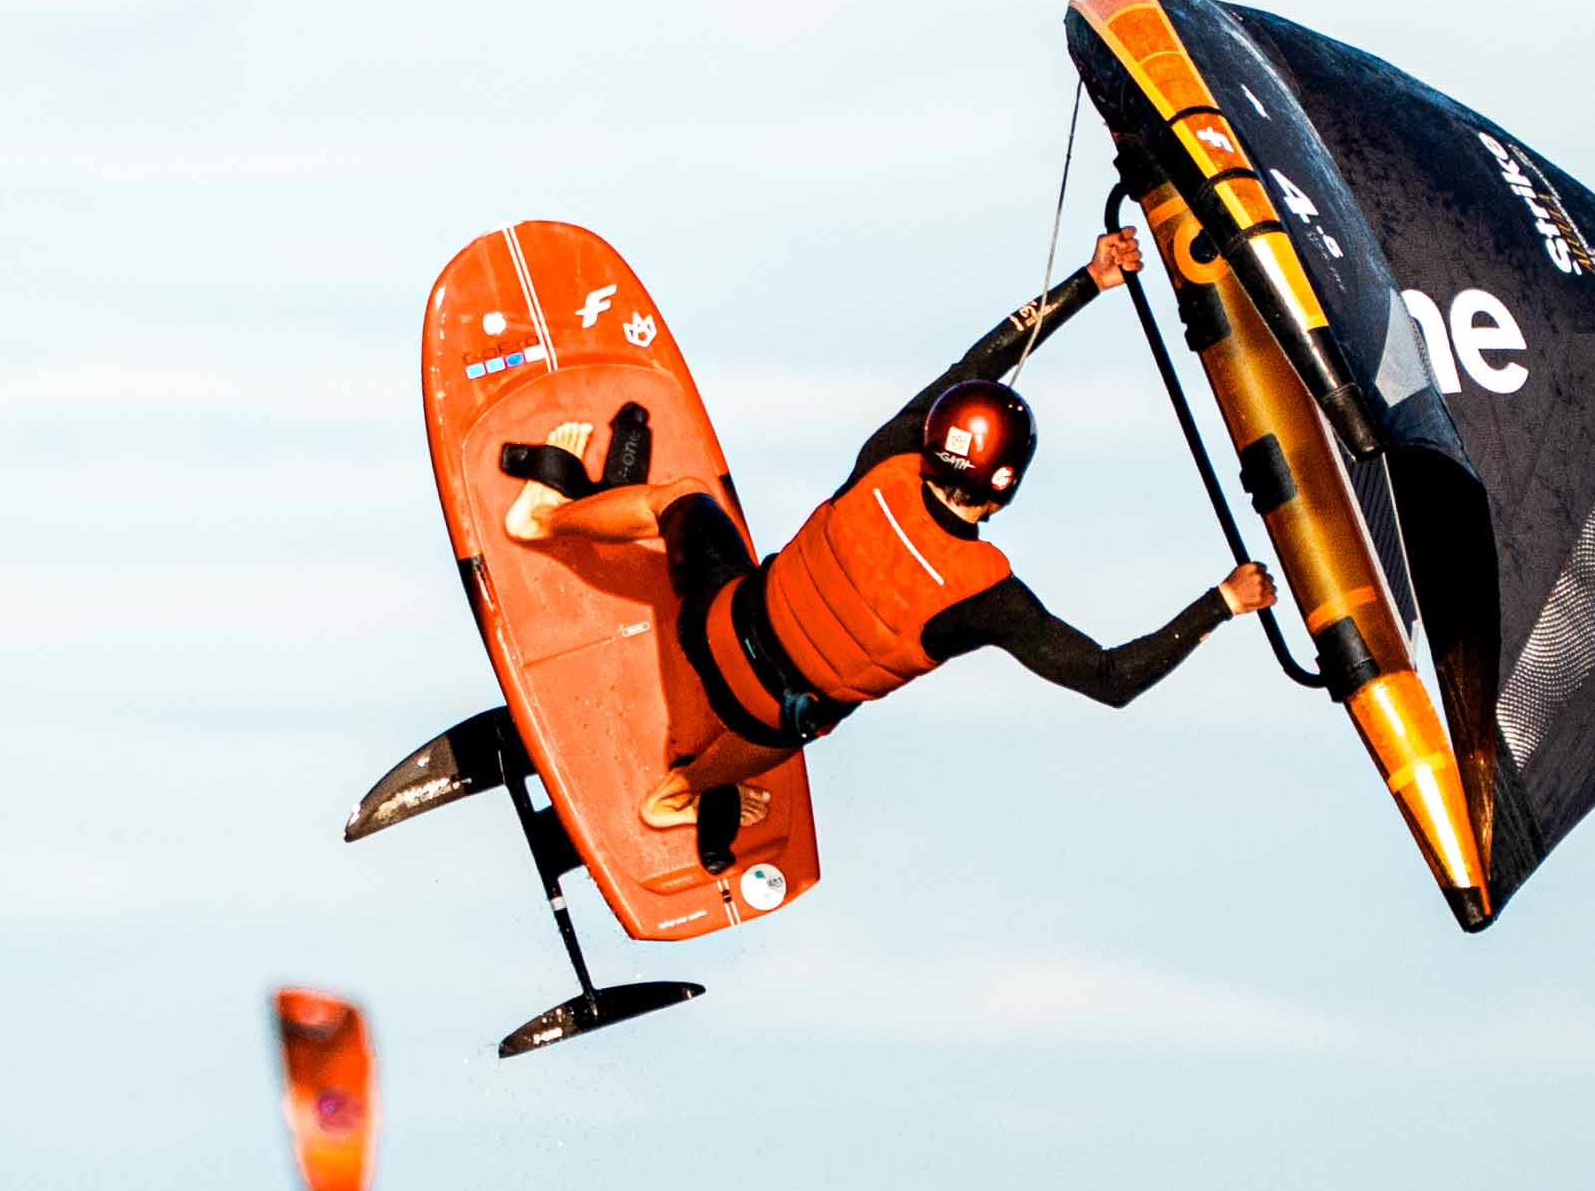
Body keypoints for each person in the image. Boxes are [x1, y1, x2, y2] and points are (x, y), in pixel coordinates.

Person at [495, 224, 1272, 862]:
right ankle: (680, 793)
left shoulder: (890, 458)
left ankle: (546, 520)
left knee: (683, 499)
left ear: (938, 438)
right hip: (762, 720)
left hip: (714, 629)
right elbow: (1111, 678)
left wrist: (1089, 281)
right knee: (800, 716)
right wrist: (1223, 603)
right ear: (1005, 490)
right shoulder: (988, 594)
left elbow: (980, 363)